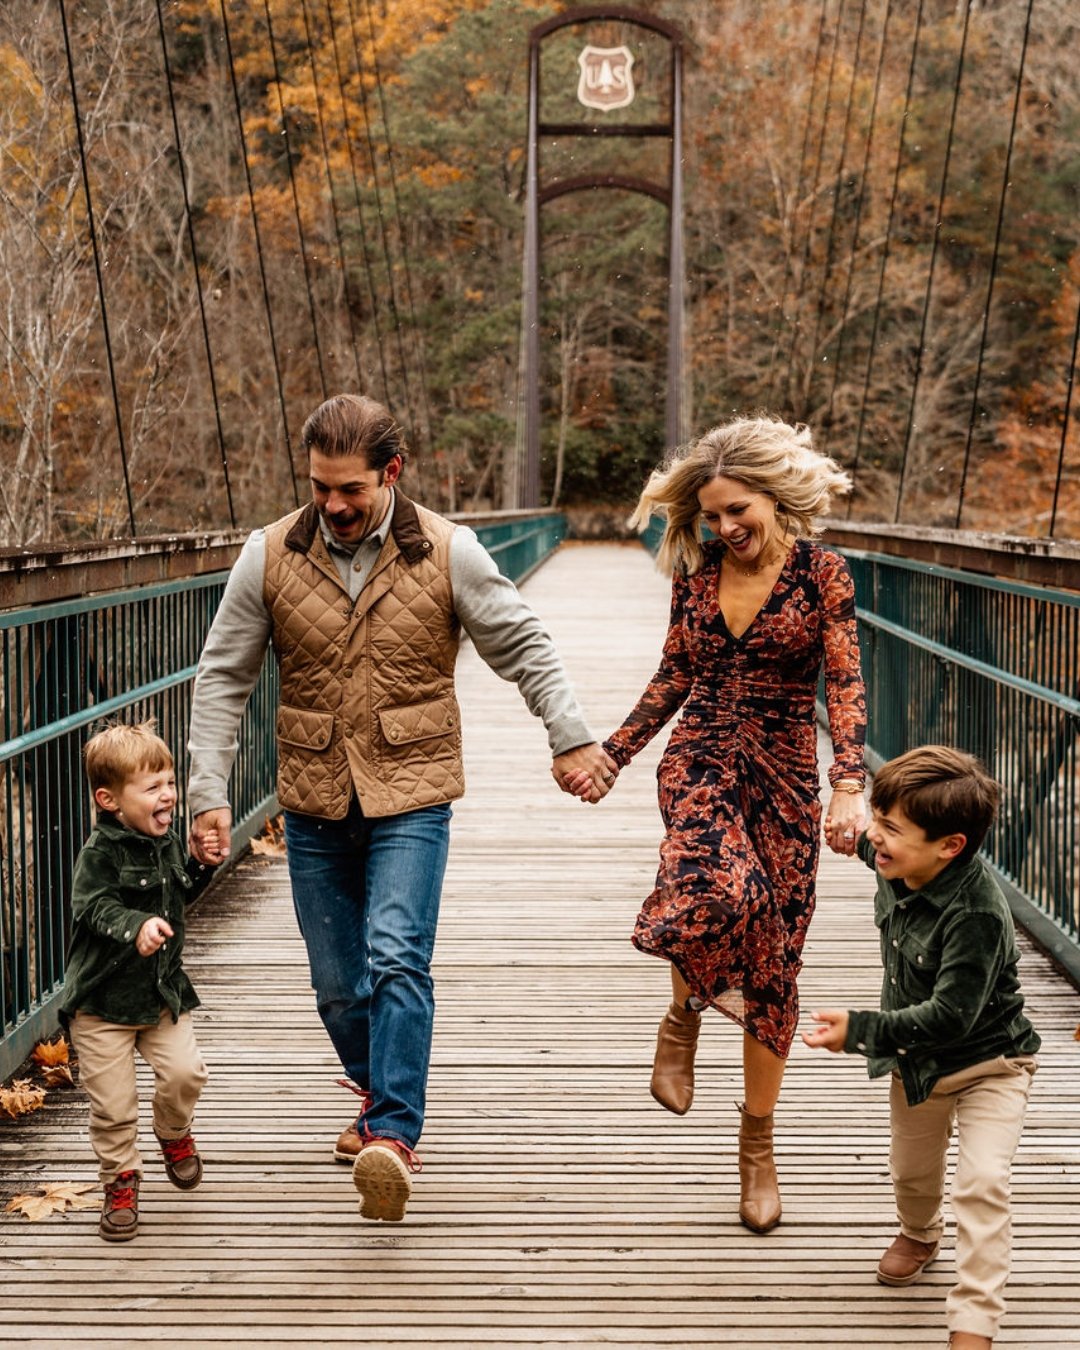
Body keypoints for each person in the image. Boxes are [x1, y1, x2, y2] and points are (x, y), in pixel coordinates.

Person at [186, 392, 616, 1224]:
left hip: (412, 789)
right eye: (320, 488)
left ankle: (392, 1136)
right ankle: (378, 1088)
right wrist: (208, 792)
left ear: (392, 472)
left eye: (351, 489)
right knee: (337, 985)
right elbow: (223, 677)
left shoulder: (451, 552)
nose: (335, 505)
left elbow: (522, 643)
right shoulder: (266, 554)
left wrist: (569, 736)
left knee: (394, 955)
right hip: (313, 794)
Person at [567, 415, 866, 1234]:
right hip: (700, 757)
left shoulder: (823, 575)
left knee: (775, 966)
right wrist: (614, 755)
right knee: (711, 886)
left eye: (739, 511)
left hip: (784, 771)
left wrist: (849, 783)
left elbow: (842, 679)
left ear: (775, 497)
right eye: (713, 515)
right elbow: (674, 673)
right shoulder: (697, 575)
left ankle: (757, 1147)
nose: (726, 528)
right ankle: (685, 1013)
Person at [802, 745, 1040, 1350]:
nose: (875, 838)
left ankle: (974, 1322)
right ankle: (919, 1231)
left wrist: (859, 1031)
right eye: (878, 821)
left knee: (982, 1183)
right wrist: (835, 825)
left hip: (992, 1063)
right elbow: (867, 842)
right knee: (912, 1173)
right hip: (919, 1067)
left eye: (891, 830)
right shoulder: (899, 860)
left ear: (949, 846)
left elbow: (950, 1016)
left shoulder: (979, 913)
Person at [61, 720, 215, 1242]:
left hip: (160, 993)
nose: (168, 795)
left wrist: (199, 865)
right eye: (152, 788)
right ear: (109, 800)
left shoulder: (165, 840)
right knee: (113, 1105)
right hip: (101, 1003)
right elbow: (92, 907)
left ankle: (173, 1131)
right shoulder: (99, 854)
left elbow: (177, 896)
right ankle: (120, 1179)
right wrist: (136, 926)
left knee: (186, 1074)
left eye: (169, 783)